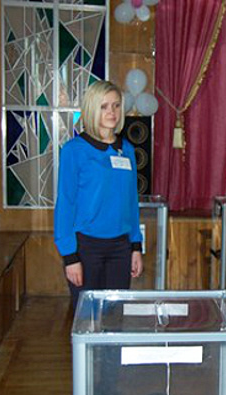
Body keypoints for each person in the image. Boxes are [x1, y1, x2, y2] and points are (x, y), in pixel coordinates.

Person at [54, 80, 143, 310]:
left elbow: (131, 202)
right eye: (104, 106)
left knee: (115, 318)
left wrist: (136, 246)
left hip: (121, 248)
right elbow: (65, 204)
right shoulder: (74, 150)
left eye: (116, 105)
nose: (111, 112)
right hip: (86, 248)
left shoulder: (127, 149)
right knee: (88, 318)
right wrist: (70, 257)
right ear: (92, 108)